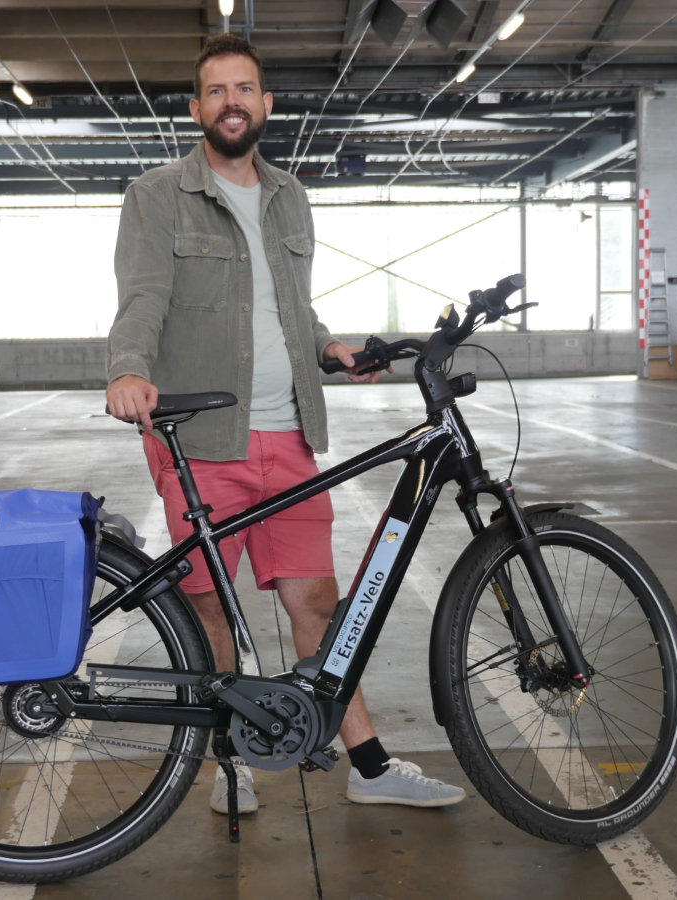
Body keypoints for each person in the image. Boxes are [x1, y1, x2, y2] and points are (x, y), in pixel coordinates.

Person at [105, 34, 464, 816]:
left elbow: (289, 305)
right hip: (205, 441)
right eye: (216, 91)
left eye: (244, 89)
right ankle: (229, 764)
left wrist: (328, 348)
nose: (231, 102)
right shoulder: (158, 195)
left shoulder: (289, 195)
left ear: (265, 104)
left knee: (319, 605)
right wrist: (127, 368)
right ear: (196, 109)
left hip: (291, 436)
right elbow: (142, 297)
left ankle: (368, 764)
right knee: (208, 606)